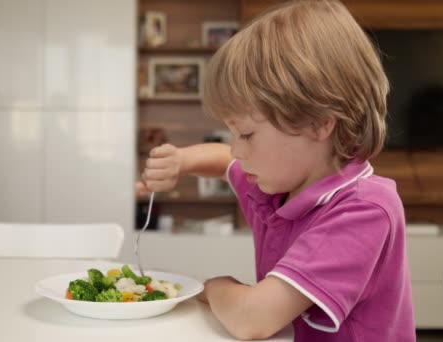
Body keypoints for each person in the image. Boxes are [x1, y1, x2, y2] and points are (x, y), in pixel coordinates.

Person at [135, 1, 415, 341]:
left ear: (317, 124)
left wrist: (212, 287)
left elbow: (252, 319)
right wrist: (182, 160)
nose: (238, 149)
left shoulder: (363, 210)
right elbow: (225, 159)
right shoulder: (281, 183)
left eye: (248, 134)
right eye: (234, 133)